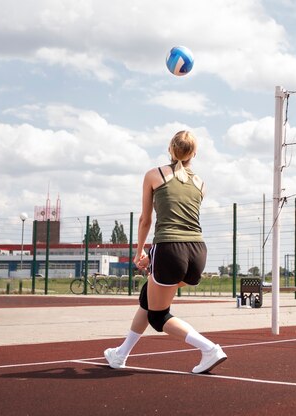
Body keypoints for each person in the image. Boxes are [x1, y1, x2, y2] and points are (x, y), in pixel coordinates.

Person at [104, 130, 227, 373]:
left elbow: (145, 220)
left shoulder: (154, 174)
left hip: (171, 250)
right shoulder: (201, 184)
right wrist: (154, 255)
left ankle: (209, 349)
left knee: (158, 317)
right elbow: (181, 222)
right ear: (195, 154)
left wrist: (140, 252)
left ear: (170, 149)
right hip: (197, 252)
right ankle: (120, 354)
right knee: (148, 298)